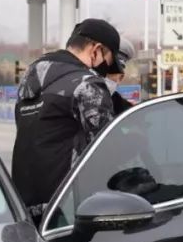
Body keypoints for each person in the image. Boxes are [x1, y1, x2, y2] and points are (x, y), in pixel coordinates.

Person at [11, 19, 119, 223]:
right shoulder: (87, 85)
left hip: (24, 208)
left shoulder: (32, 78)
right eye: (109, 60)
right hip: (65, 211)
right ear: (95, 50)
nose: (107, 68)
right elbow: (105, 152)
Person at [95, 40, 136, 116]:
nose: (103, 76)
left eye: (111, 71)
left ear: (120, 77)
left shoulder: (126, 113)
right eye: (99, 70)